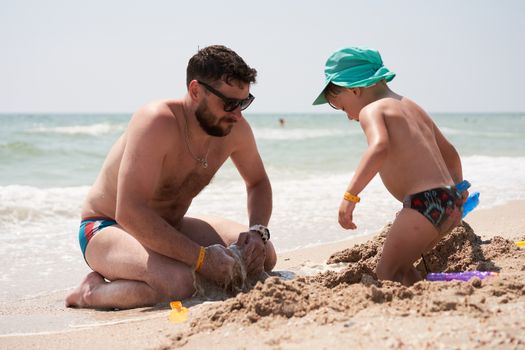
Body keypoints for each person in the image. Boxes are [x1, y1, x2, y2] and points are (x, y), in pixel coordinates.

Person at [66, 45, 277, 309]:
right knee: (179, 283)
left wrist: (257, 232)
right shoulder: (157, 121)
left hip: (169, 225)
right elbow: (129, 212)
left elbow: (257, 182)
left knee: (262, 256)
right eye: (229, 103)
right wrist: (202, 259)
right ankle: (90, 292)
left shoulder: (234, 128)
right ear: (195, 91)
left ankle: (171, 264)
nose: (237, 113)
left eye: (244, 102)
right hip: (107, 227)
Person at [313, 47, 465, 286]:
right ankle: (422, 294)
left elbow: (379, 147)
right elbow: (451, 153)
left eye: (343, 108)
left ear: (355, 90)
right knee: (402, 268)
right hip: (449, 202)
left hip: (424, 204)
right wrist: (459, 188)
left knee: (386, 272)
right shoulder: (412, 106)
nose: (349, 116)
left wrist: (350, 195)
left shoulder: (371, 110)